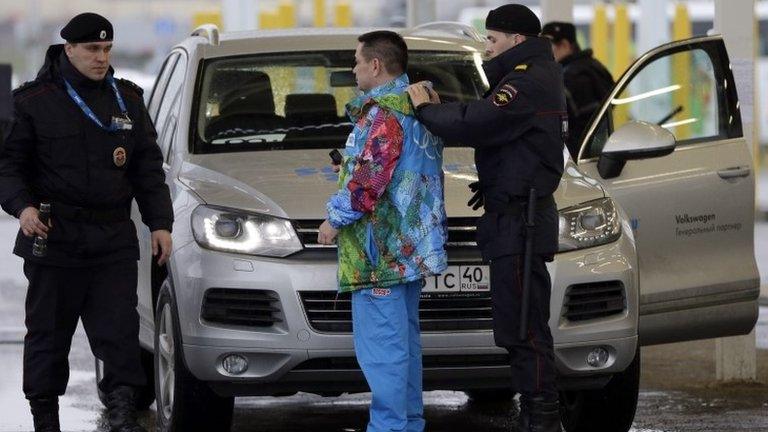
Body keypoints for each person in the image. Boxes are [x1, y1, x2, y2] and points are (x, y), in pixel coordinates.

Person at [0, 12, 173, 432]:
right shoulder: (33, 101)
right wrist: (22, 208)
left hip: (112, 238)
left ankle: (121, 412)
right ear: (69, 49)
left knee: (118, 332)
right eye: (93, 49)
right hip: (54, 237)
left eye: (107, 49)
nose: (101, 58)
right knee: (48, 336)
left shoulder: (127, 99)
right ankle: (45, 416)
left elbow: (147, 169)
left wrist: (160, 224)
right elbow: (8, 167)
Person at [407, 4, 565, 432]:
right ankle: (539, 412)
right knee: (519, 321)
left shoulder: (527, 80)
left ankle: (542, 417)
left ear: (516, 40)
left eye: (493, 39)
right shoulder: (530, 75)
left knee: (523, 325)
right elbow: (498, 126)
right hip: (514, 216)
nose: (488, 46)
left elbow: (481, 120)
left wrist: (425, 111)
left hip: (522, 222)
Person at [317, 30, 447, 432]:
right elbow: (396, 170)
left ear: (375, 65)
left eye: (356, 61)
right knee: (403, 346)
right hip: (408, 249)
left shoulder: (384, 113)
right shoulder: (419, 106)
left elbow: (370, 182)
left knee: (383, 350)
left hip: (381, 254)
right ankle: (407, 424)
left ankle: (389, 427)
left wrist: (334, 219)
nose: (353, 69)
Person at [541, 21, 614, 159]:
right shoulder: (595, 66)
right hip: (603, 151)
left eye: (548, 46)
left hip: (577, 157)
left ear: (565, 45)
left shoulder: (569, 77)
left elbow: (571, 124)